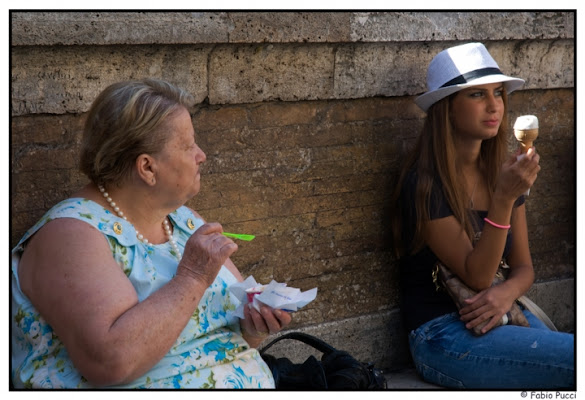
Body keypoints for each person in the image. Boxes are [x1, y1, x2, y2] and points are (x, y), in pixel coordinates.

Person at [11, 78, 292, 388]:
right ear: (147, 168)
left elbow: (229, 338)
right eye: (188, 145)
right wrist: (192, 277)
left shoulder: (183, 221)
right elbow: (112, 363)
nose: (202, 155)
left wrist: (254, 326)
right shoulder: (69, 237)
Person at [390, 43, 574, 389]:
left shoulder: (498, 171)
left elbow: (523, 267)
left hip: (502, 314)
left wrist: (506, 294)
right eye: (476, 95)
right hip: (442, 335)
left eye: (498, 93)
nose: (494, 107)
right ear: (447, 109)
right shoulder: (424, 183)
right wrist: (504, 197)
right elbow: (477, 275)